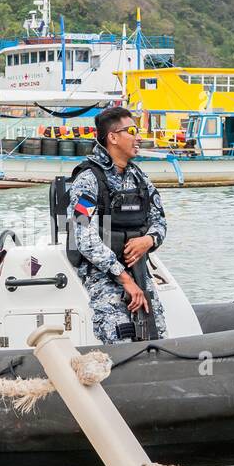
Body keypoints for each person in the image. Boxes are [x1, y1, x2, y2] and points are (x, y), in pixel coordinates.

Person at [66, 106, 168, 343]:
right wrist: (125, 279)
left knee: (158, 335)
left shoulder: (139, 178)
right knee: (119, 336)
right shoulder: (87, 181)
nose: (139, 137)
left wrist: (148, 240)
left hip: (139, 271)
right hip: (103, 276)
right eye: (131, 131)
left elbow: (160, 221)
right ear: (112, 137)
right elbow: (84, 238)